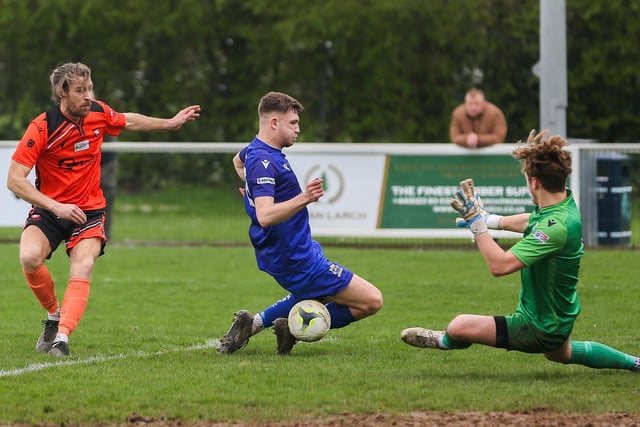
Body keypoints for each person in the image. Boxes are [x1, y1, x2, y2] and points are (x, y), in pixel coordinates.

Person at [401, 130, 640, 373]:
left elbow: (500, 266)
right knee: (561, 353)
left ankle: (444, 340)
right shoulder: (563, 207)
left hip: (539, 326)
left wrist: (478, 227)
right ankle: (636, 363)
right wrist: (490, 220)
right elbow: (531, 221)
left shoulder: (555, 227)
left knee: (459, 326)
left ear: (534, 181)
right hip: (558, 318)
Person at [7, 62, 201, 357]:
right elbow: (14, 179)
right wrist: (56, 206)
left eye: (90, 89)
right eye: (80, 91)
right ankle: (53, 315)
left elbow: (128, 120)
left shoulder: (97, 112)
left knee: (83, 266)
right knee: (29, 257)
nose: (88, 96)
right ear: (62, 92)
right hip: (51, 209)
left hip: (89, 211)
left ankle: (62, 338)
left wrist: (169, 123)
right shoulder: (43, 126)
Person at [218, 91, 383, 355]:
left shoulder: (255, 150)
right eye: (293, 123)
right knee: (371, 301)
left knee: (319, 293)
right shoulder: (263, 161)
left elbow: (236, 161)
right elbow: (265, 215)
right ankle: (295, 329)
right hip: (293, 256)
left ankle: (253, 324)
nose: (298, 129)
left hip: (296, 247)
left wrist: (250, 188)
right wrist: (305, 197)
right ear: (274, 123)